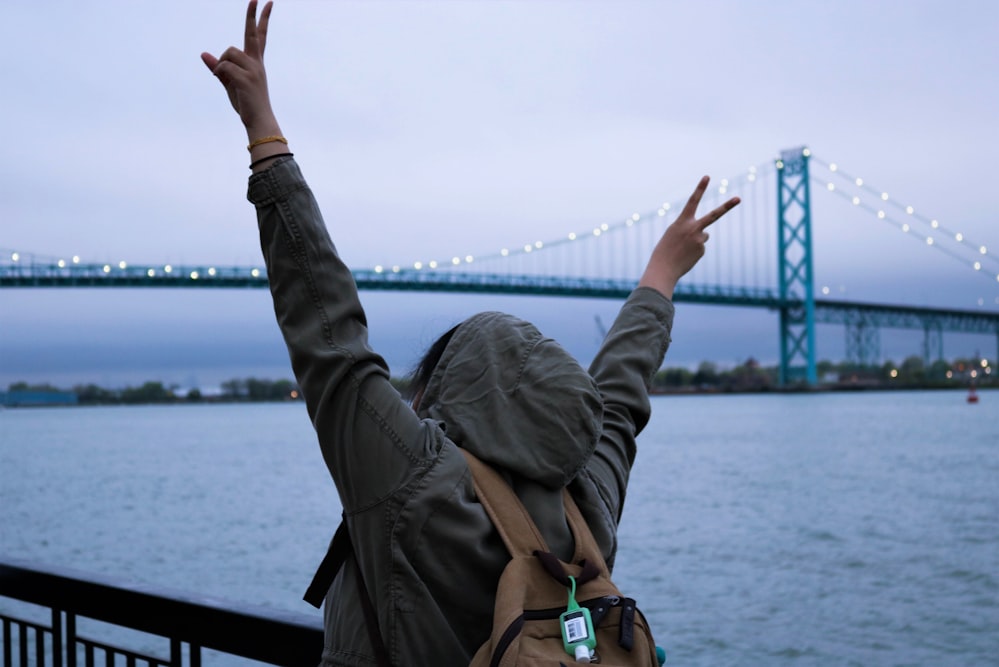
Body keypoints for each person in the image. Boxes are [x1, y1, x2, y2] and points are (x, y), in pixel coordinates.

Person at [202, 3, 740, 665]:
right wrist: (662, 273)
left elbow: (328, 329)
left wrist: (263, 132)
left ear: (448, 384)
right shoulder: (585, 502)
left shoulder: (411, 481)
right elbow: (621, 399)